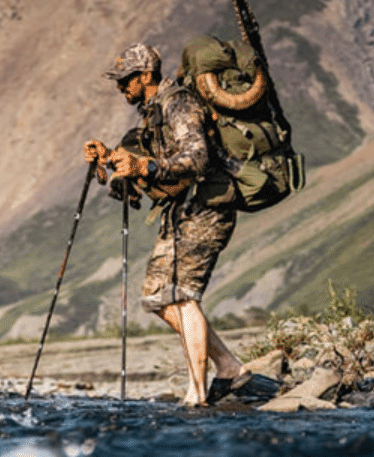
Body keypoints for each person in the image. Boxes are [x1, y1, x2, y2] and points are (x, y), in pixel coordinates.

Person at [83, 42, 252, 407]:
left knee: (179, 295)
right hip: (185, 211)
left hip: (207, 209)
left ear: (145, 76)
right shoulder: (154, 111)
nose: (121, 87)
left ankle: (198, 392)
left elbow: (198, 157)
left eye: (126, 80)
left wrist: (146, 168)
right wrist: (111, 158)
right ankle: (228, 366)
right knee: (158, 295)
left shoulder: (178, 103)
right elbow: (152, 158)